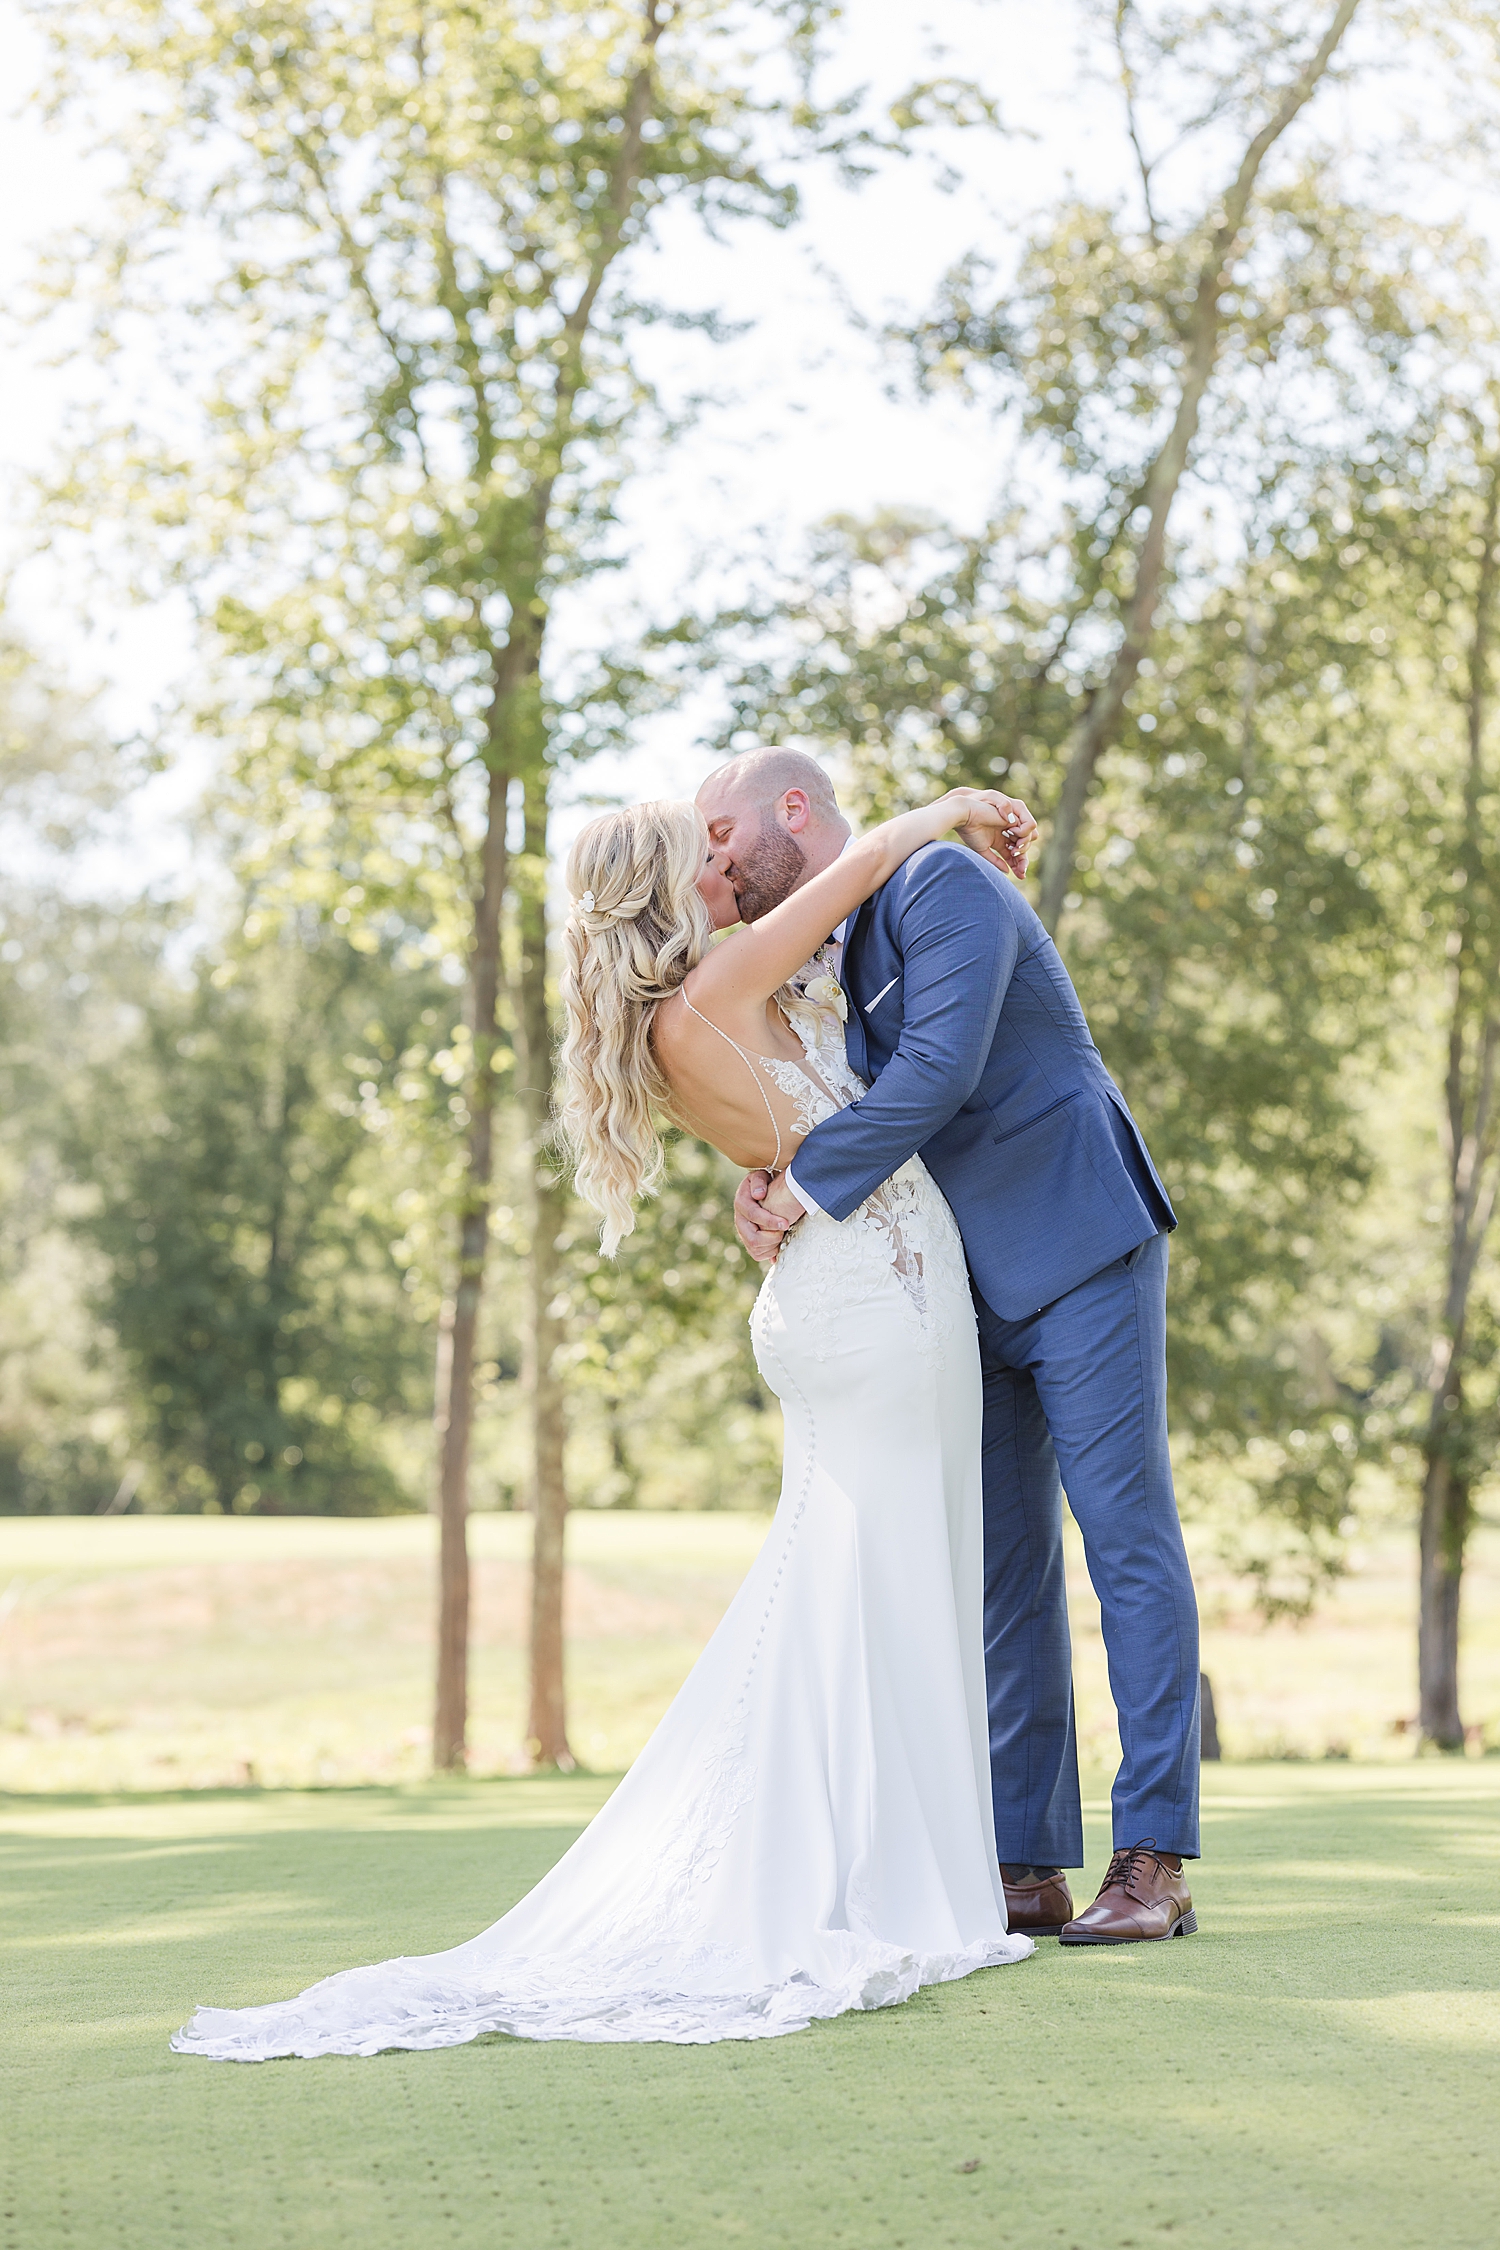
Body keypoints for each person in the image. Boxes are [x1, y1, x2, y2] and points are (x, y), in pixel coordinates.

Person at [171, 777, 1039, 2061]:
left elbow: (787, 1119)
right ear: (668, 884)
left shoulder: (670, 1027)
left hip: (833, 1300)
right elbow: (854, 872)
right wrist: (951, 805)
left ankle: (883, 1867)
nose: (723, 869)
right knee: (897, 1578)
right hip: (881, 1298)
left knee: (851, 1587)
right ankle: (902, 1885)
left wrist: (782, 1177)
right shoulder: (727, 981)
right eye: (704, 856)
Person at [715, 750, 1200, 1945]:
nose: (713, 858)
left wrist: (803, 1191)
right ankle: (1024, 1861)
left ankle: (1153, 1863)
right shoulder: (814, 953)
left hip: (1077, 1235)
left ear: (795, 807)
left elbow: (941, 1068)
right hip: (957, 1288)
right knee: (1004, 1569)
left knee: (1124, 1541)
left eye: (720, 830)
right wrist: (759, 1169)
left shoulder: (942, 885)